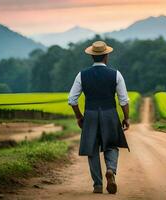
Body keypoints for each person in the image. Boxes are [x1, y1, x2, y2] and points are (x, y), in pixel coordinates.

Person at [68, 40, 130, 194]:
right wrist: (126, 118)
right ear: (106, 56)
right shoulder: (116, 74)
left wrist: (79, 117)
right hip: (109, 113)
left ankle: (97, 185)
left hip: (90, 115)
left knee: (92, 149)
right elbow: (123, 100)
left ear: (92, 57)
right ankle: (110, 169)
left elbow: (72, 100)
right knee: (112, 145)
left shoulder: (81, 75)